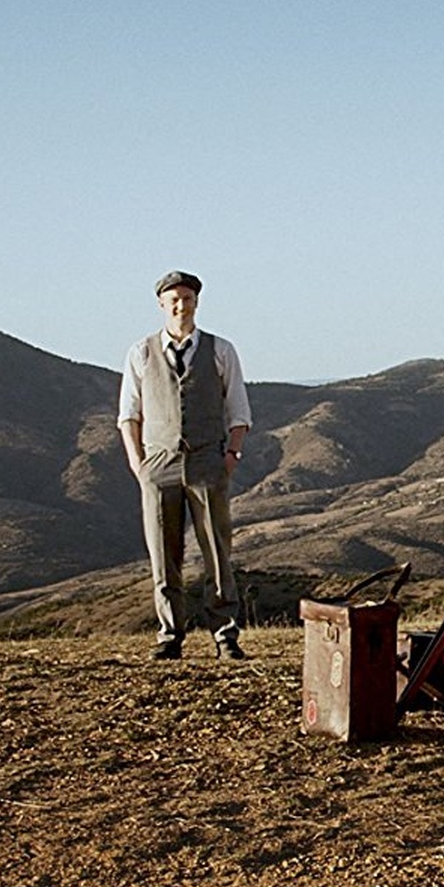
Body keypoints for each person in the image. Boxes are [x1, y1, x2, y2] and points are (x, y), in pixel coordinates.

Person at [118, 270, 253, 660]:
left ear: (197, 302)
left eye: (188, 299)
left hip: (208, 460)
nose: (181, 306)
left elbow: (239, 411)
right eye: (174, 299)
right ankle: (169, 635)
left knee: (216, 548)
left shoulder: (221, 350)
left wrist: (231, 456)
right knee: (164, 553)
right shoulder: (141, 352)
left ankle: (225, 634)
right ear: (161, 304)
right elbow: (129, 413)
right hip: (158, 463)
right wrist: (137, 463)